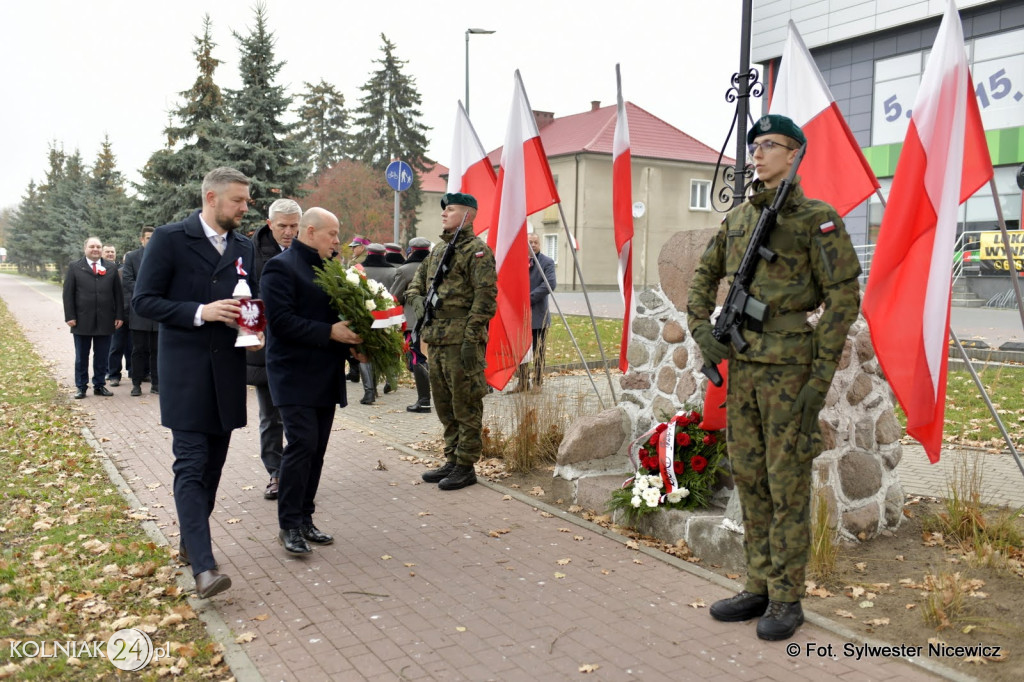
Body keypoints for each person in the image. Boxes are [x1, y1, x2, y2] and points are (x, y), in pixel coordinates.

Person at [687, 114, 861, 641]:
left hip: (790, 370)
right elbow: (703, 274)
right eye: (755, 146)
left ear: (795, 154)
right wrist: (702, 329)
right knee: (750, 478)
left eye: (770, 146)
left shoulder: (816, 219)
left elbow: (844, 299)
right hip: (743, 372)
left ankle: (787, 597)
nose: (757, 154)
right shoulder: (739, 219)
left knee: (787, 486)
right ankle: (757, 583)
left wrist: (818, 377)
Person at [133, 167, 261, 599]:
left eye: (247, 201)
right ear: (211, 197)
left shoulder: (244, 245)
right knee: (189, 464)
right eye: (238, 201)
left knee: (213, 466)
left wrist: (255, 333)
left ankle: (191, 543)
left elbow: (252, 299)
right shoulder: (171, 238)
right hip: (185, 372)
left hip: (227, 373)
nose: (246, 208)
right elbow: (144, 301)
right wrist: (200, 312)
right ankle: (204, 568)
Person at [261, 207, 363, 556]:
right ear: (309, 232)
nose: (337, 240)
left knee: (316, 450)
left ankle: (305, 518)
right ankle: (288, 524)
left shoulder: (330, 268)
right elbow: (281, 322)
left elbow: (339, 320)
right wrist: (329, 332)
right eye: (332, 234)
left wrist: (355, 349)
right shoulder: (280, 267)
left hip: (325, 373)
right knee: (302, 444)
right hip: (292, 373)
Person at [405, 193, 497, 491]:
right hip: (437, 338)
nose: (444, 213)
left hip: (462, 340)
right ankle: (452, 458)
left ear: (468, 215)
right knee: (444, 403)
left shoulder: (478, 251)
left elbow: (485, 299)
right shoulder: (438, 251)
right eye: (444, 209)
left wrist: (471, 338)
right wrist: (418, 302)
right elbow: (416, 284)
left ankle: (466, 465)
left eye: (452, 209)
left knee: (465, 402)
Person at [247, 198, 301, 501]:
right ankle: (276, 473)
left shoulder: (310, 251)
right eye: (283, 226)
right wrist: (253, 332)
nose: (289, 232)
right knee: (270, 416)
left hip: (302, 347)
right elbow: (246, 297)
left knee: (298, 416)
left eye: (294, 226)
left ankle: (296, 472)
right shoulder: (251, 252)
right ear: (270, 224)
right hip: (266, 348)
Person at [63, 237, 124, 399]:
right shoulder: (75, 267)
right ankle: (81, 387)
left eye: (98, 246)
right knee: (81, 356)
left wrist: (119, 315)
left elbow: (118, 294)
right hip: (81, 319)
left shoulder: (110, 268)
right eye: (92, 246)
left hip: (106, 319)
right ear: (85, 249)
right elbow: (67, 294)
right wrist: (70, 316)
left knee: (102, 355)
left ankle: (99, 385)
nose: (95, 249)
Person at [390, 237, 432, 412]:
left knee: (417, 357)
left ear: (411, 250)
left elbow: (394, 295)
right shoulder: (435, 264)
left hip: (413, 320)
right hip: (435, 319)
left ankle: (424, 401)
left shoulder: (405, 270)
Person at [512, 233, 556, 392]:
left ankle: (537, 382)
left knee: (539, 351)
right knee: (521, 351)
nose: (533, 244)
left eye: (536, 242)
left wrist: (527, 299)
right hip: (519, 316)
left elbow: (549, 284)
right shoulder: (517, 261)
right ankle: (522, 382)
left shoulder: (547, 262)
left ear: (540, 244)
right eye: (530, 242)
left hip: (538, 315)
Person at [357, 243, 398, 403]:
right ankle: (389, 381)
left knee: (364, 352)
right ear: (383, 254)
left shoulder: (358, 269)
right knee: (386, 349)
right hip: (387, 316)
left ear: (368, 253)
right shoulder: (393, 271)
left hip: (363, 316)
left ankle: (369, 391)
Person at [122, 227, 160, 397]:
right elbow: (128, 280)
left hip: (158, 311)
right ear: (142, 240)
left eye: (153, 238)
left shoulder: (162, 255)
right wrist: (147, 291)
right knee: (138, 350)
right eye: (148, 238)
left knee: (157, 350)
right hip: (139, 311)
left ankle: (157, 383)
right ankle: (136, 383)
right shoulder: (132, 257)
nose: (151, 241)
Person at [103, 244, 132, 386]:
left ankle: (134, 371)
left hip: (134, 316)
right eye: (107, 251)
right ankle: (113, 374)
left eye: (112, 252)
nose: (109, 254)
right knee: (115, 347)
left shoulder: (138, 274)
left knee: (133, 347)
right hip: (118, 316)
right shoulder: (118, 273)